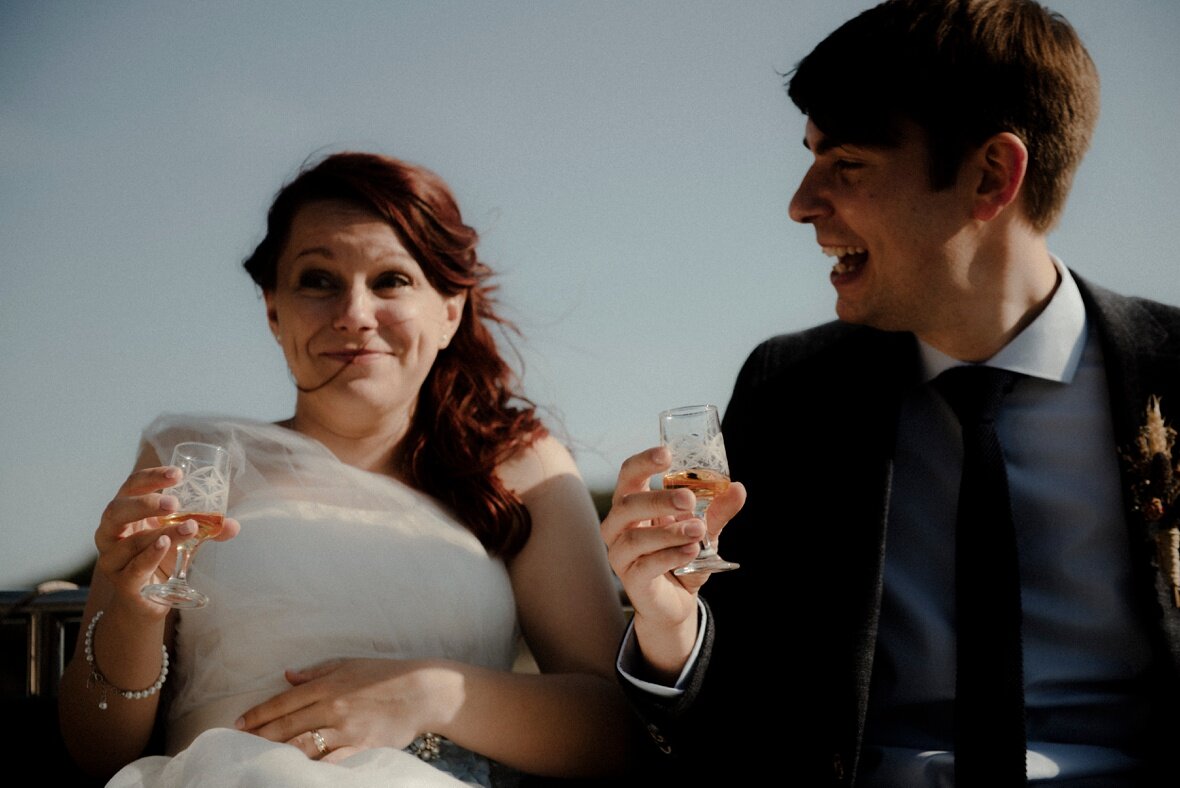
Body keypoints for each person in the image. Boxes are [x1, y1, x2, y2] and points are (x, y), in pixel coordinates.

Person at [601, 0, 1180, 785]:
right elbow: (739, 733)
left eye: (846, 165)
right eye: (810, 160)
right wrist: (673, 630)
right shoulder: (789, 393)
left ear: (991, 176)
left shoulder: (1177, 374)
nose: (801, 204)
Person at [57, 151, 638, 787]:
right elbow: (98, 755)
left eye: (391, 280)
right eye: (317, 280)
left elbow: (617, 729)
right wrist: (135, 612)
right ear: (274, 311)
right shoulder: (192, 462)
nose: (354, 314)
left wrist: (430, 695)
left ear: (450, 311)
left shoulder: (519, 470)